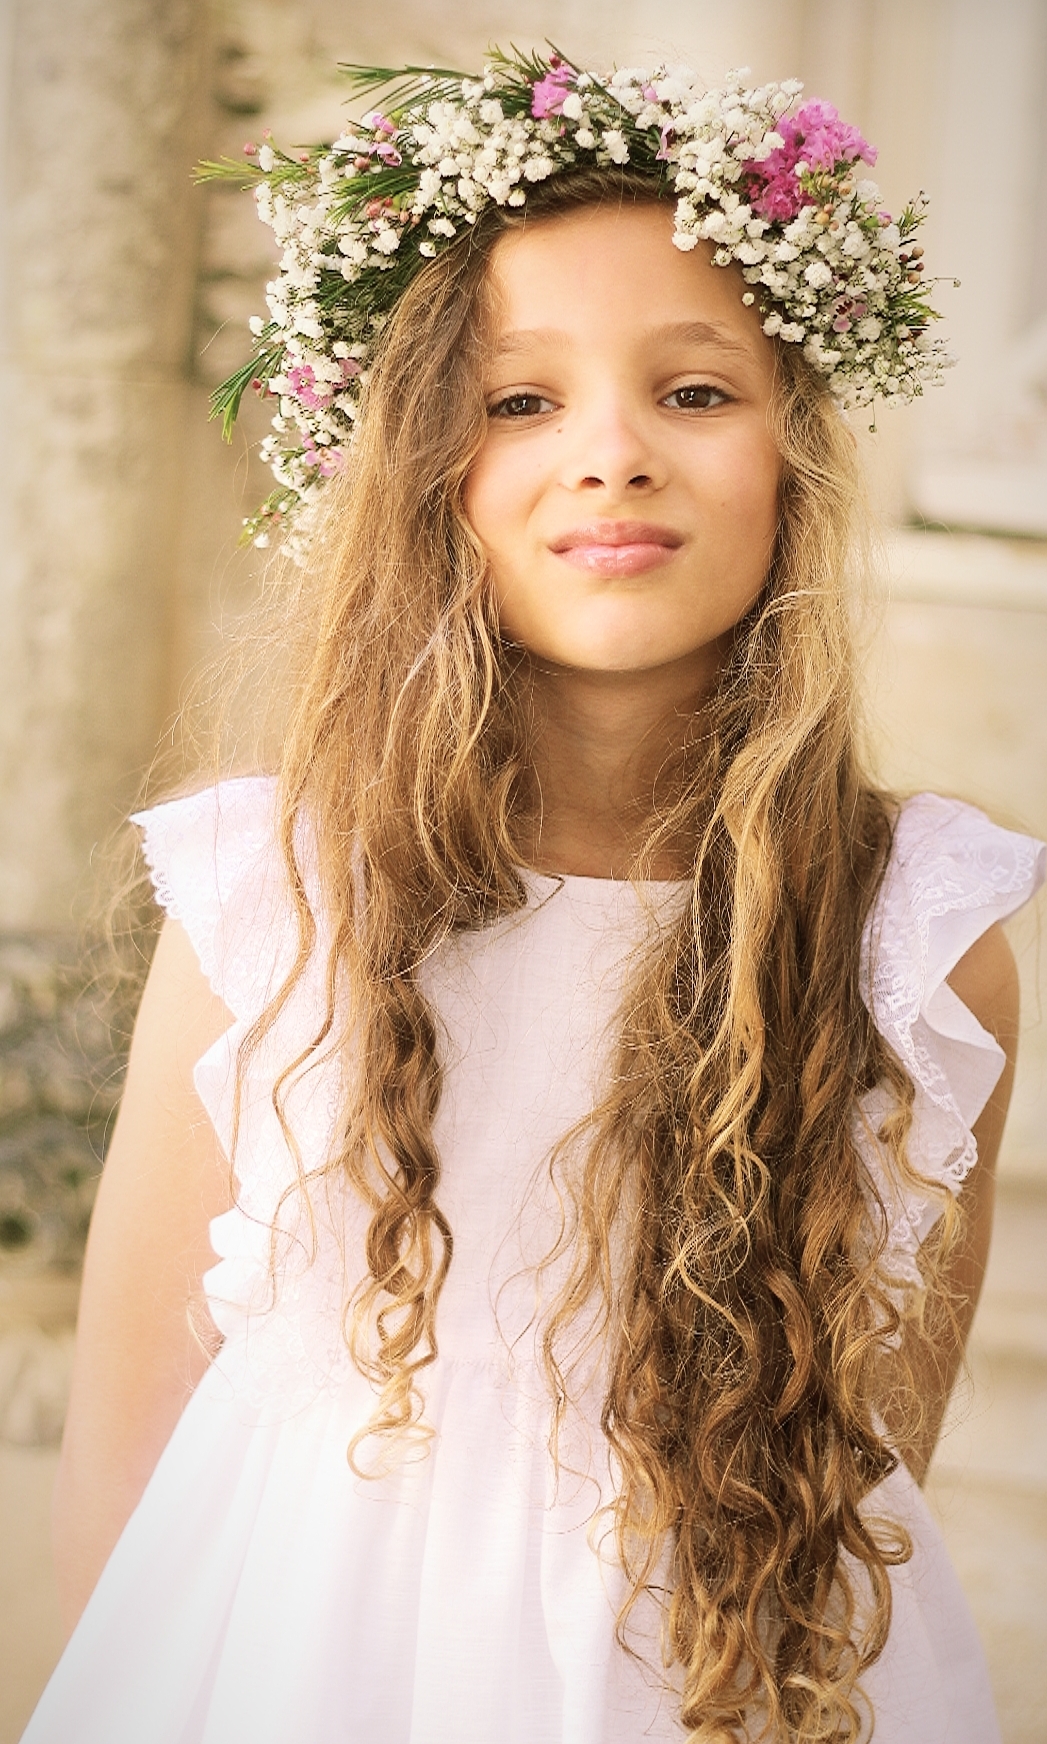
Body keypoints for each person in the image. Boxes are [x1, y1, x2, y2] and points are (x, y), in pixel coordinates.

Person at [23, 51, 1044, 1744]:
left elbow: (883, 1452)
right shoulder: (278, 897)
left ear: (797, 451)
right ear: (427, 468)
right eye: (520, 401)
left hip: (720, 1684)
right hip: (288, 1666)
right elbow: (126, 1450)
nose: (612, 457)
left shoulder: (917, 936)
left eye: (696, 393)